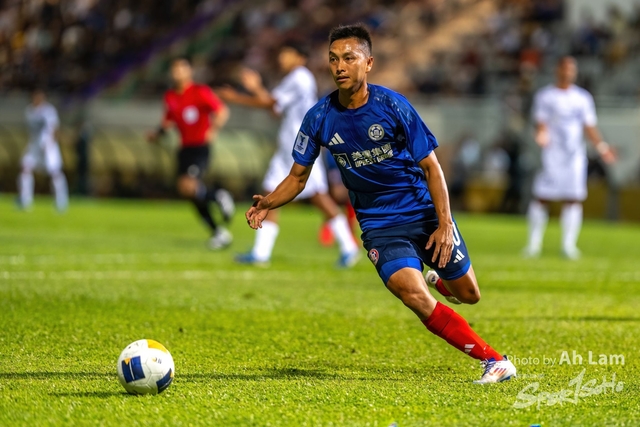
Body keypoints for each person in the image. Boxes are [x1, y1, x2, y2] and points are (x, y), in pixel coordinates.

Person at [245, 24, 516, 384]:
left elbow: (432, 168)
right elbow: (297, 177)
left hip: (423, 214)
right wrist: (267, 202)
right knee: (413, 294)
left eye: (349, 58)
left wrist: (444, 223)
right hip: (379, 226)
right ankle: (494, 360)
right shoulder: (319, 117)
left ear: (368, 63)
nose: (339, 66)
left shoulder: (393, 106)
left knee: (469, 295)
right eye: (333, 59)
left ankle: (440, 280)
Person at [217, 42, 360, 267]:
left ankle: (349, 246)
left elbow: (269, 103)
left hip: (302, 147)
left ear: (300, 57)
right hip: (289, 148)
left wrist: (235, 97)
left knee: (318, 197)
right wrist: (256, 89)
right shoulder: (295, 78)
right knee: (270, 195)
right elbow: (275, 109)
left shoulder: (300, 77)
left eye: (287, 53)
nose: (282, 58)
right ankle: (261, 253)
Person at [524, 56, 616, 259]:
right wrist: (541, 134)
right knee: (541, 197)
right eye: (565, 68)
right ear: (558, 70)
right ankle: (533, 244)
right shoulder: (546, 96)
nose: (568, 72)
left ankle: (568, 245)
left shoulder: (582, 98)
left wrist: (602, 148)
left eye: (571, 69)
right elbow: (541, 123)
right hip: (551, 155)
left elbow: (589, 126)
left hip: (574, 156)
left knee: (573, 199)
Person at [148, 57, 235, 250]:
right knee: (188, 193)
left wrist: (212, 130)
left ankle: (219, 196)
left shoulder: (200, 91)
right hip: (184, 148)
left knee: (189, 185)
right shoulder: (170, 96)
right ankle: (218, 232)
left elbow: (221, 111)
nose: (177, 73)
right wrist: (157, 134)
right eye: (174, 69)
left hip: (200, 147)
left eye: (181, 69)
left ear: (189, 71)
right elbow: (168, 121)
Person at [18, 89, 68, 212]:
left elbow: (54, 128)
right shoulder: (29, 111)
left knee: (55, 172)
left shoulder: (49, 111)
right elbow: (31, 131)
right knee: (25, 168)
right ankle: (25, 200)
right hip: (34, 146)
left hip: (48, 145)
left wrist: (50, 143)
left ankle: (61, 201)